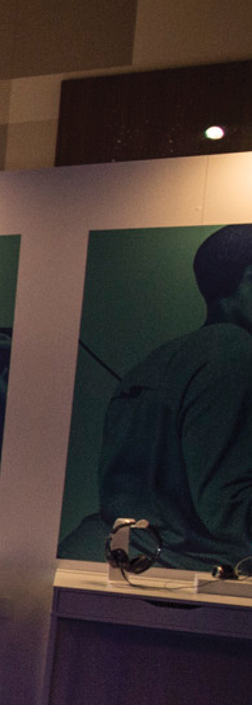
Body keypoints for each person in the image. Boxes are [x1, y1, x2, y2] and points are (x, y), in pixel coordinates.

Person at [73, 224, 252, 571]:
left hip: (132, 571)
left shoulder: (156, 361)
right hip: (192, 586)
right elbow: (229, 509)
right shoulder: (236, 355)